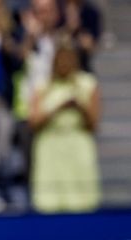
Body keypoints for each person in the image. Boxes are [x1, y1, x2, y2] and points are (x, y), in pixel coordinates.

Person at [28, 36, 101, 212]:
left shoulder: (88, 83)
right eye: (61, 58)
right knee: (49, 203)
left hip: (78, 145)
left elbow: (93, 124)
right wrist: (58, 108)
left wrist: (79, 107)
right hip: (50, 147)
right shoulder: (42, 86)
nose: (65, 63)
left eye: (69, 58)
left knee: (82, 203)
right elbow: (34, 123)